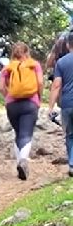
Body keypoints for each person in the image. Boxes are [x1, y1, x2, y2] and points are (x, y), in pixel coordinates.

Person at [0, 42, 43, 181]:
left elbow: (0, 85)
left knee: (18, 133)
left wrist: (7, 96)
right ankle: (23, 160)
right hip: (30, 102)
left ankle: (19, 164)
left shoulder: (8, 67)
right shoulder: (34, 64)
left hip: (12, 105)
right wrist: (39, 98)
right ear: (27, 51)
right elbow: (40, 83)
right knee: (26, 134)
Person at [48, 30, 73, 176]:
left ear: (68, 44)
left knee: (70, 135)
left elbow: (56, 85)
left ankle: (72, 164)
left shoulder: (61, 62)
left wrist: (50, 107)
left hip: (67, 104)